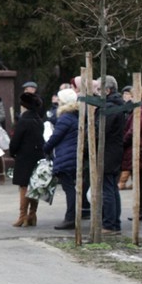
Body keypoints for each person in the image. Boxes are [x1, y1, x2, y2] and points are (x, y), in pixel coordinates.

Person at [43, 88, 79, 230]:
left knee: (69, 188)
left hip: (66, 156)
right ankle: (71, 216)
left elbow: (55, 137)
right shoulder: (72, 115)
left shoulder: (65, 117)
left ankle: (70, 218)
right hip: (70, 154)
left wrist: (45, 148)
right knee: (71, 188)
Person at [9, 92, 45, 227]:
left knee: (24, 186)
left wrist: (12, 152)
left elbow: (16, 140)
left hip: (24, 157)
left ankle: (22, 216)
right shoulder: (38, 120)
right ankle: (32, 214)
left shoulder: (23, 121)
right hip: (37, 156)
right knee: (35, 186)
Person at [100, 76, 125, 235]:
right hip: (115, 151)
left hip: (108, 151)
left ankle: (110, 224)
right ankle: (114, 222)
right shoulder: (118, 104)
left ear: (107, 90)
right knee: (112, 188)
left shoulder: (110, 107)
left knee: (107, 188)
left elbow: (101, 130)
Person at [123, 87, 142, 222]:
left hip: (140, 150)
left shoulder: (141, 111)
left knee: (141, 182)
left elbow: (133, 131)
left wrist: (122, 142)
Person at [119, 85, 134, 191]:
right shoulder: (124, 105)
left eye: (127, 93)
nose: (125, 95)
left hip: (129, 137)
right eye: (124, 93)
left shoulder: (131, 106)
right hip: (126, 135)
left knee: (128, 162)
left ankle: (122, 182)